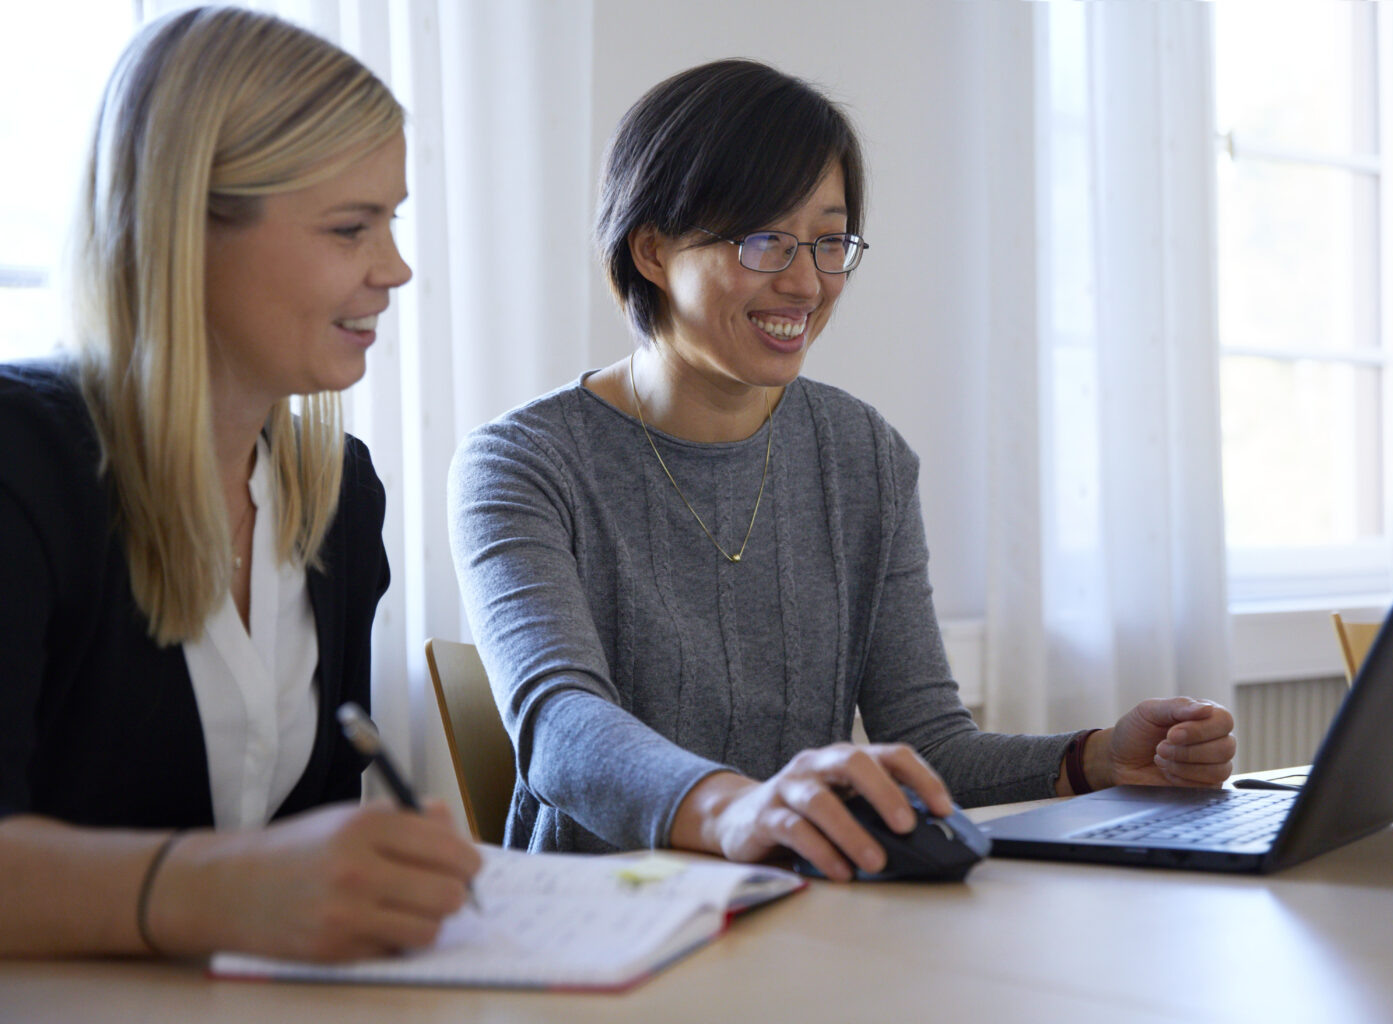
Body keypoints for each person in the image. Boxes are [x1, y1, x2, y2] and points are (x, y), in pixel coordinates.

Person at [449, 58, 1236, 881]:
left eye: (829, 241)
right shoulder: (522, 465)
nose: (806, 282)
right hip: (603, 928)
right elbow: (561, 727)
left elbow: (931, 746)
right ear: (652, 249)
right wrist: (737, 808)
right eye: (763, 240)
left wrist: (1099, 760)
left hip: (808, 915)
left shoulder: (863, 455)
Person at [0, 7, 479, 960]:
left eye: (392, 220)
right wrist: (217, 893)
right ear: (187, 230)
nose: (396, 267)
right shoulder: (23, 465)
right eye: (351, 228)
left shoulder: (338, 496)